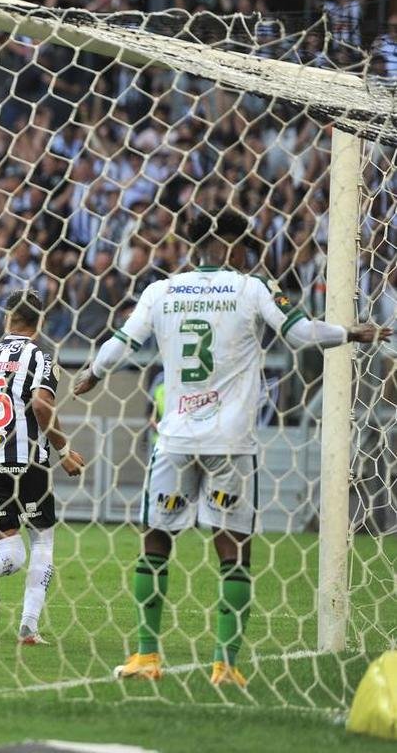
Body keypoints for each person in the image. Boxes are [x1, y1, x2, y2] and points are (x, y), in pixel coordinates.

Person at [73, 210, 391, 687]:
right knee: (233, 550)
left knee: (155, 541)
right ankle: (225, 664)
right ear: (235, 246)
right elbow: (301, 334)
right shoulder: (251, 287)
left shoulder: (162, 291)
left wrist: (92, 375)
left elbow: (120, 344)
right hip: (230, 442)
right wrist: (352, 333)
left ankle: (145, 655)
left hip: (175, 439)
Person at [0, 291, 85, 645]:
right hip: (26, 461)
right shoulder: (41, 357)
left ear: (7, 319)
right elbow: (42, 407)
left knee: (10, 553)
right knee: (41, 541)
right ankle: (29, 627)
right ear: (39, 322)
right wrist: (65, 450)